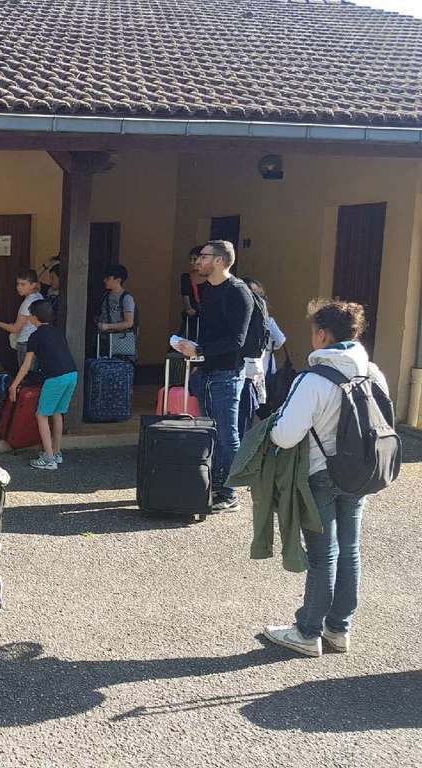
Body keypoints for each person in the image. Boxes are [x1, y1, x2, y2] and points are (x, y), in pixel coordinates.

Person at [263, 299, 388, 657]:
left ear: (322, 335)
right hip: (359, 473)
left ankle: (307, 632)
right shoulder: (373, 372)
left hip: (320, 474)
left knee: (323, 555)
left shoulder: (313, 379)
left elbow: (286, 435)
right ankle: (339, 628)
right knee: (350, 550)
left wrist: (271, 430)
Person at [177, 240, 254, 513]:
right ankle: (214, 486)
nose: (198, 261)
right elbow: (210, 333)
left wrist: (199, 351)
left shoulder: (238, 292)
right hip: (207, 371)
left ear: (220, 260)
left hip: (228, 374)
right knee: (212, 432)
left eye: (203, 256)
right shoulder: (208, 290)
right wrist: (197, 356)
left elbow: (237, 340)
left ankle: (229, 492)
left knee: (227, 435)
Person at [9, 300, 77, 471]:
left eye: (30, 315)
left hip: (55, 378)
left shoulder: (35, 336)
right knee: (58, 413)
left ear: (34, 317)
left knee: (41, 415)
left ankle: (49, 458)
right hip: (72, 374)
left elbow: (26, 365)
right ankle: (56, 452)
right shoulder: (57, 331)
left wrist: (14, 385)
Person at [238, 277, 287, 438]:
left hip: (257, 373)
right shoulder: (266, 320)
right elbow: (280, 341)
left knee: (252, 411)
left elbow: (280, 340)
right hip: (257, 372)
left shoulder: (266, 320)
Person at [0, 268, 44, 370]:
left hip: (25, 344)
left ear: (33, 285)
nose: (19, 287)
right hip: (36, 342)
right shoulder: (39, 296)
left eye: (23, 284)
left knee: (26, 375)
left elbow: (15, 329)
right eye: (18, 284)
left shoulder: (27, 303)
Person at [96, 264, 137, 362]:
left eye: (108, 278)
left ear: (118, 280)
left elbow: (129, 323)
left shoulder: (126, 298)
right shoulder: (105, 296)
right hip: (105, 339)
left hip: (121, 340)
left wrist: (107, 326)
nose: (104, 281)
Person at [180, 246, 206, 337]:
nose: (191, 262)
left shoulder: (211, 278)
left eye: (194, 259)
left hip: (208, 319)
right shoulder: (186, 277)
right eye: (190, 259)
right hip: (192, 318)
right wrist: (189, 308)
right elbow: (185, 296)